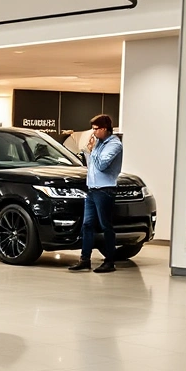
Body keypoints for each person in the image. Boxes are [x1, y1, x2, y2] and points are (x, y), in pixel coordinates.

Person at [69, 114, 123, 273]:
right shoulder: (98, 143)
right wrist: (88, 150)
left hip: (105, 189)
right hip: (92, 189)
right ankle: (85, 259)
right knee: (87, 224)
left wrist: (92, 151)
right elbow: (91, 164)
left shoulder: (114, 144)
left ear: (104, 129)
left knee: (106, 225)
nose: (93, 133)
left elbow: (102, 165)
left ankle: (110, 261)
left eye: (95, 129)